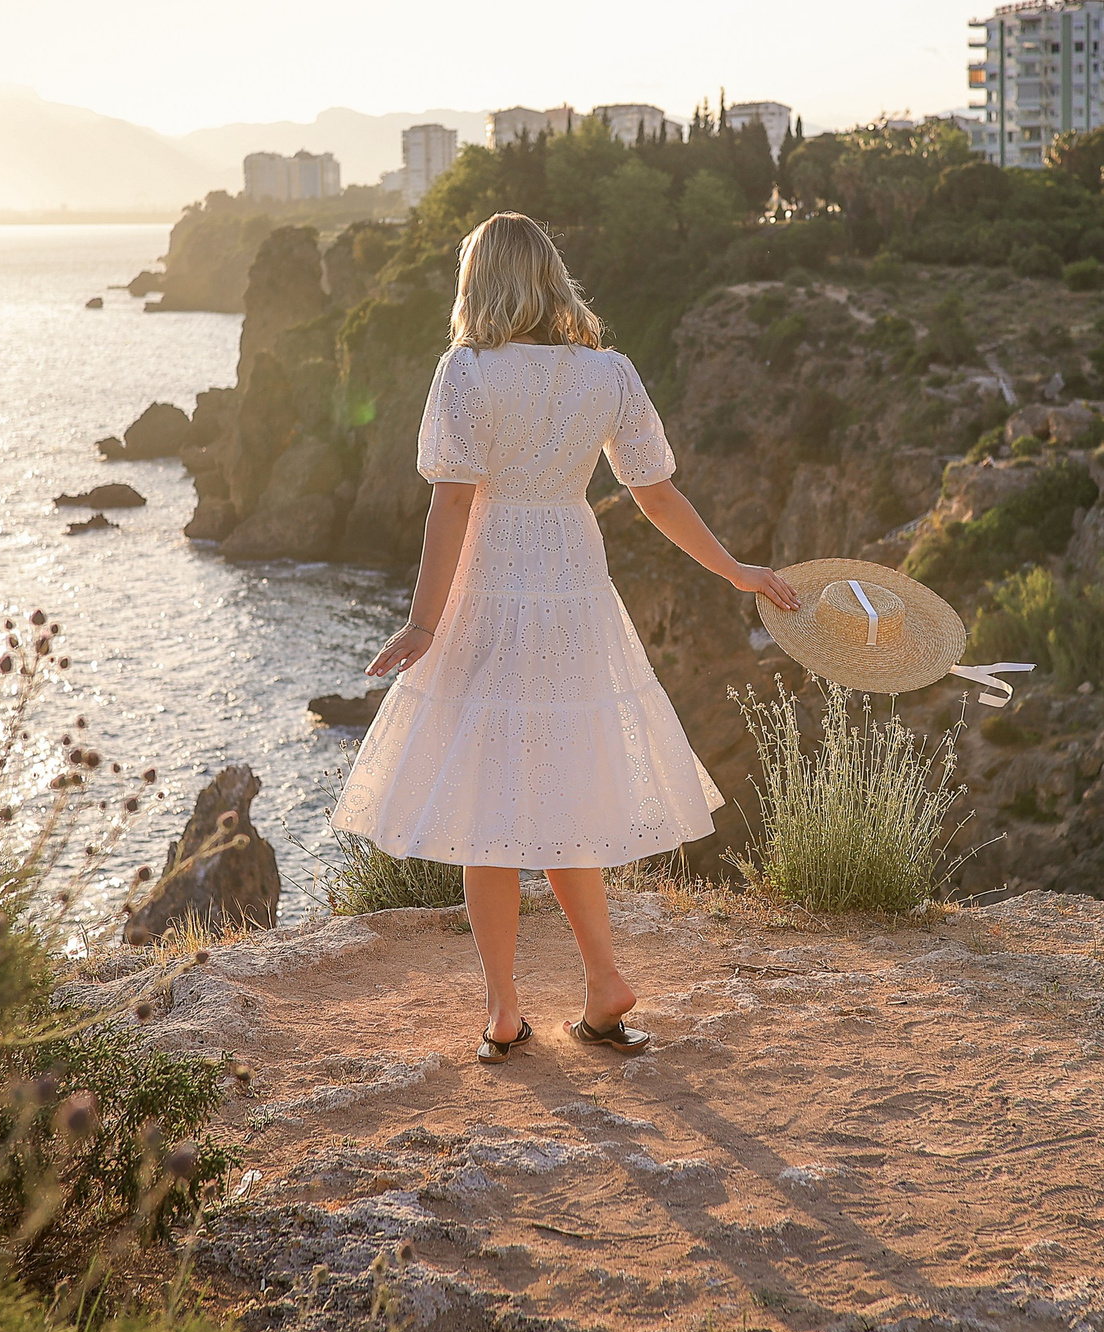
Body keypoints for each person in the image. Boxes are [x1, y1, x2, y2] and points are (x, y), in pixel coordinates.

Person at [331, 212, 799, 1065]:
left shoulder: (468, 372)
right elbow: (655, 496)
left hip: (494, 584)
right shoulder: (608, 372)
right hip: (575, 585)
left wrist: (424, 621)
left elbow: (453, 501)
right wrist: (737, 571)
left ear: (483, 281)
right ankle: (602, 983)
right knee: (564, 791)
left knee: (487, 809)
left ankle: (505, 1011)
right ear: (551, 277)